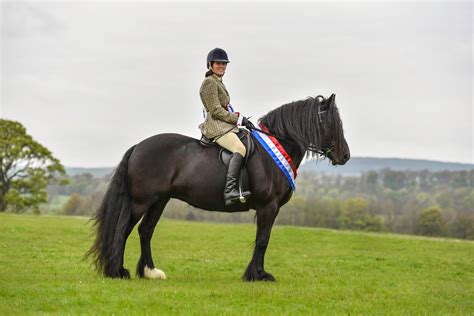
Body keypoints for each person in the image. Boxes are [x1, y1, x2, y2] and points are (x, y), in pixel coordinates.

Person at [199, 48, 253, 206]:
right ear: (210, 64)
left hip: (224, 124)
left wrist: (240, 119)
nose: (221, 66)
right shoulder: (209, 82)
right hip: (216, 126)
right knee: (240, 149)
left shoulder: (218, 81)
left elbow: (225, 108)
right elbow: (215, 110)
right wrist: (237, 118)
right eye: (218, 63)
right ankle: (230, 192)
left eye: (224, 64)